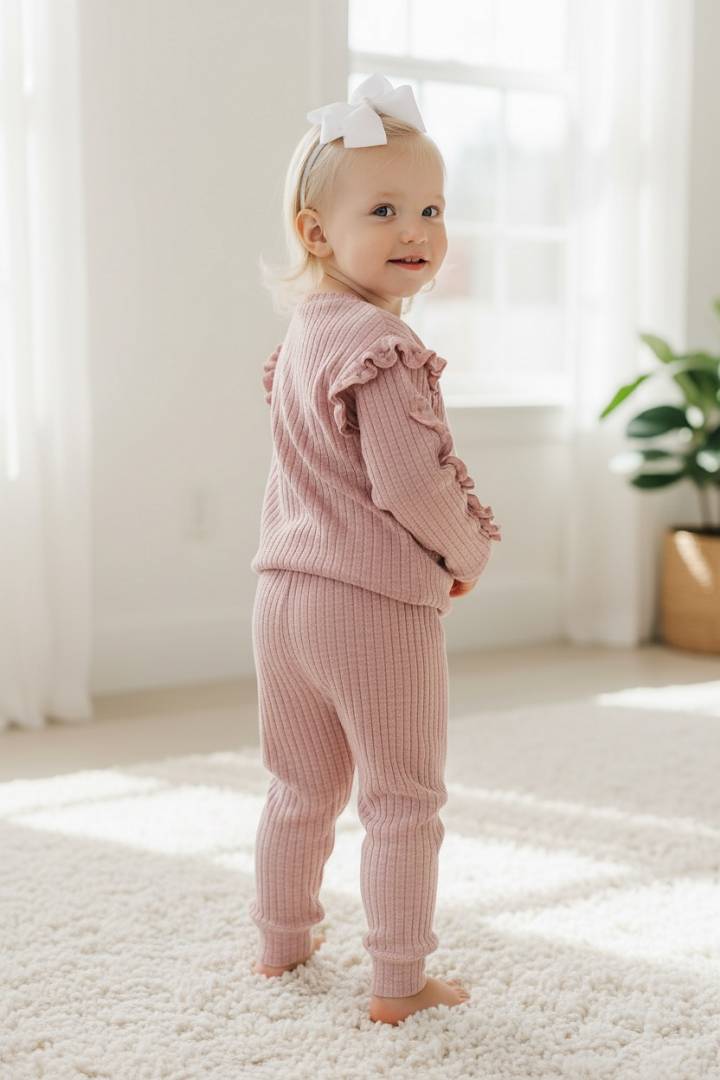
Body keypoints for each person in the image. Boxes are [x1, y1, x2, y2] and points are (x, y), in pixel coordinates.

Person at [248, 74, 502, 1026]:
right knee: (402, 798)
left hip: (284, 593)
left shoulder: (307, 335)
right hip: (368, 602)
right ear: (317, 232)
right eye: (386, 209)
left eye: (432, 209)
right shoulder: (383, 350)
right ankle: (399, 984)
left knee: (299, 783)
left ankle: (281, 944)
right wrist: (466, 550)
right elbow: (410, 484)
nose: (418, 230)